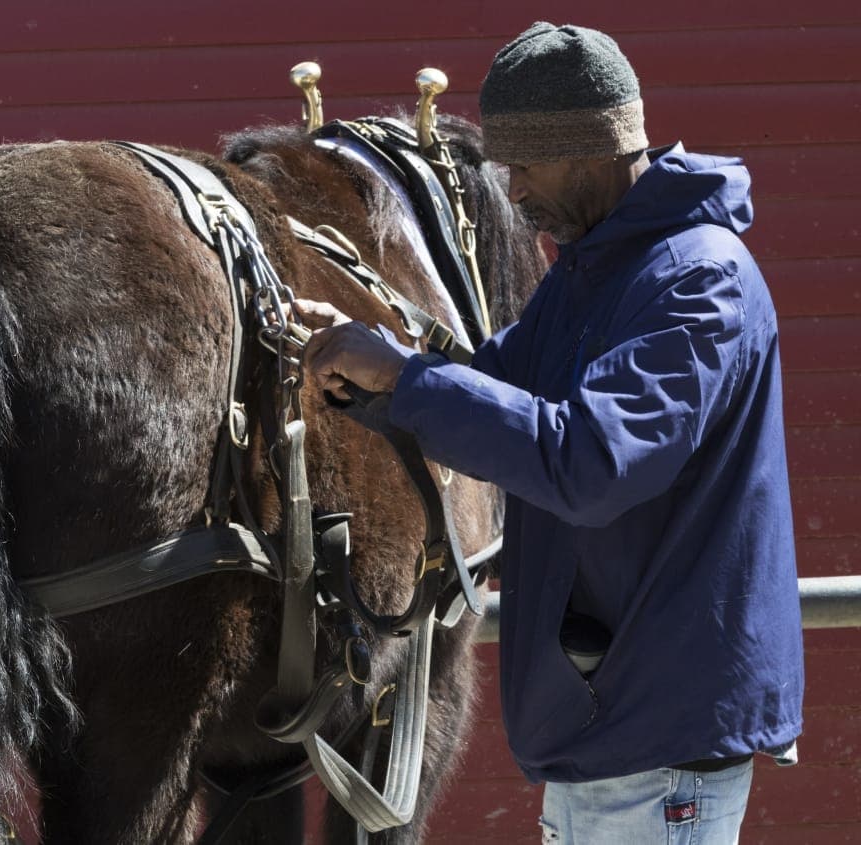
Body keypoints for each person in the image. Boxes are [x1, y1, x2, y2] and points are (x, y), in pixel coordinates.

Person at [300, 22, 804, 844]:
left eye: (525, 164)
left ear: (593, 151)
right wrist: (380, 368)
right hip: (616, 735)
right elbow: (496, 389)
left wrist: (407, 378)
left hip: (659, 747)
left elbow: (589, 461)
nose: (514, 190)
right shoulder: (596, 271)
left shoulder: (696, 280)